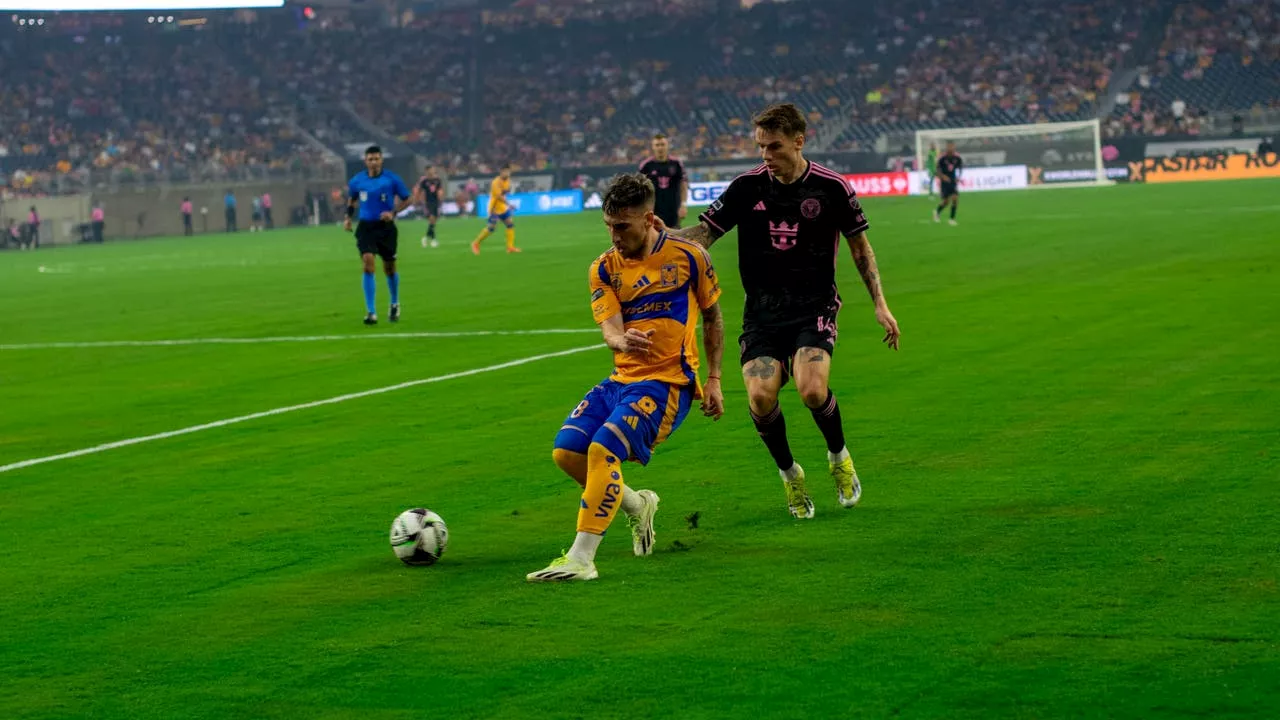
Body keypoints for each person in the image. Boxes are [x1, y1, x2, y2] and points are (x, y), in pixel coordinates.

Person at [659, 103, 900, 519]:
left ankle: (839, 457)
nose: (765, 155)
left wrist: (880, 304)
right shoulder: (746, 187)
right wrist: (662, 237)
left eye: (773, 146)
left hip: (814, 305)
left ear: (798, 141)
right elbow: (703, 235)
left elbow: (860, 246)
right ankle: (791, 477)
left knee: (811, 389)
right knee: (759, 396)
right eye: (760, 147)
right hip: (763, 313)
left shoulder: (831, 187)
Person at [527, 173, 726, 582]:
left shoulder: (689, 257)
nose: (614, 236)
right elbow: (609, 329)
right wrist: (621, 340)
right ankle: (637, 506)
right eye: (609, 226)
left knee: (603, 450)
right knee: (567, 453)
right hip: (623, 379)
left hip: (669, 383)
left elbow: (713, 316)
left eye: (622, 226)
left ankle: (581, 559)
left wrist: (715, 379)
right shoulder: (603, 268)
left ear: (649, 219)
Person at [345, 145, 412, 325]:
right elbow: (352, 199)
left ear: (381, 160)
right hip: (366, 227)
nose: (373, 162)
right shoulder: (357, 181)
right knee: (368, 263)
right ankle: (371, 312)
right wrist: (348, 218)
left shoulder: (392, 179)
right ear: (365, 161)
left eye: (376, 159)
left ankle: (394, 302)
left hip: (386, 228)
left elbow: (408, 198)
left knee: (389, 267)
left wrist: (394, 212)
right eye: (370, 159)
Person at [638, 133, 688, 229]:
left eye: (663, 144)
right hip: (653, 210)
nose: (660, 148)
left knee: (674, 239)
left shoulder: (676, 163)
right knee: (654, 241)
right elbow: (640, 189)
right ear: (653, 147)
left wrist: (683, 204)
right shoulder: (646, 165)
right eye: (657, 145)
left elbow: (683, 184)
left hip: (673, 209)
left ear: (667, 145)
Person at [470, 164, 519, 254]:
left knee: (510, 224)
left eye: (509, 172)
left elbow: (505, 192)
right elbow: (498, 196)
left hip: (503, 207)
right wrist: (509, 204)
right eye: (505, 171)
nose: (507, 173)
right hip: (494, 208)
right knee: (492, 228)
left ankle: (510, 247)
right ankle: (475, 243)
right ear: (501, 172)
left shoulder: (508, 181)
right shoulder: (495, 182)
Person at [934, 141, 963, 226]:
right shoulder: (942, 158)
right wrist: (943, 177)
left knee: (955, 199)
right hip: (944, 182)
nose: (951, 148)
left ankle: (952, 219)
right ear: (947, 147)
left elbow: (960, 168)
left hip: (953, 181)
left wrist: (958, 177)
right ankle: (937, 212)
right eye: (949, 147)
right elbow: (937, 171)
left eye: (952, 146)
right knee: (946, 202)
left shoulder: (957, 158)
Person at [415, 166, 444, 247]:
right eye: (430, 170)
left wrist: (441, 197)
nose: (432, 171)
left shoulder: (437, 180)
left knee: (433, 222)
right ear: (426, 171)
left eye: (433, 170)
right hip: (428, 202)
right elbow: (419, 190)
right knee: (431, 218)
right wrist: (417, 200)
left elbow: (440, 190)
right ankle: (434, 240)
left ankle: (426, 238)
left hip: (436, 202)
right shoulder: (424, 180)